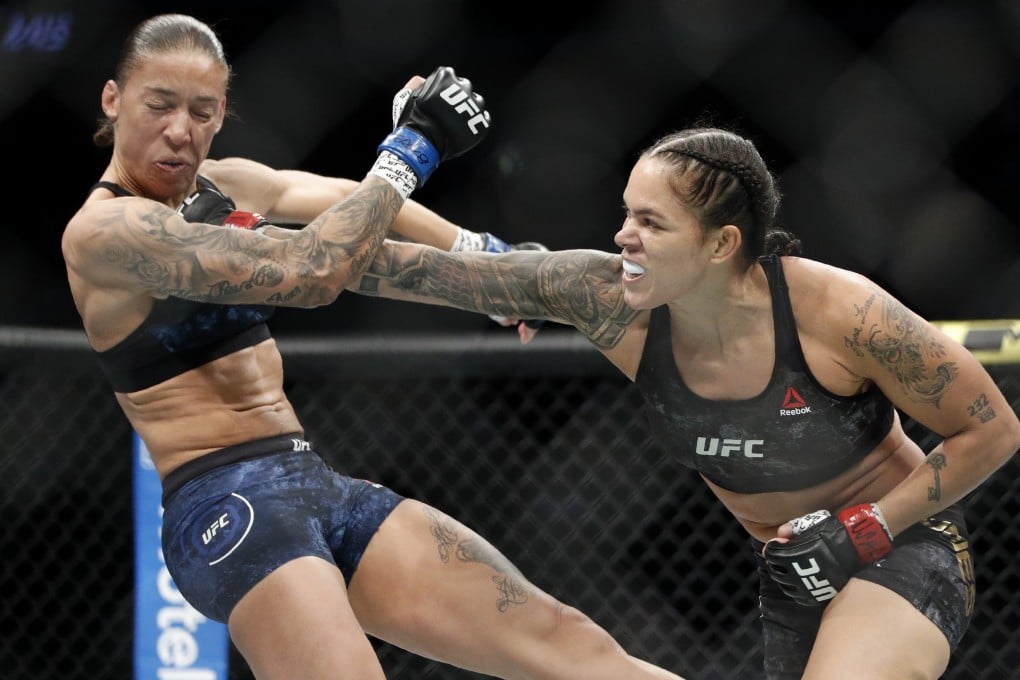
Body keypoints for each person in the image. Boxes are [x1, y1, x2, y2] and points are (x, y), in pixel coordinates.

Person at [61, 13, 685, 680]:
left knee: (570, 644)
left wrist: (484, 256)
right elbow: (312, 270)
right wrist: (412, 144)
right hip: (225, 506)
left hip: (313, 481)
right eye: (160, 105)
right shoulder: (104, 234)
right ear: (112, 99)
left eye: (202, 110)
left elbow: (348, 205)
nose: (181, 130)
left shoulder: (226, 186)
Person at [349, 126, 1020, 679]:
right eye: (624, 213)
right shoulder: (609, 302)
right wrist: (254, 243)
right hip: (789, 576)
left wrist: (861, 532)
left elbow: (990, 431)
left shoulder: (838, 311)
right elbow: (420, 273)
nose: (622, 236)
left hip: (900, 545)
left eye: (651, 222)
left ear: (722, 243)